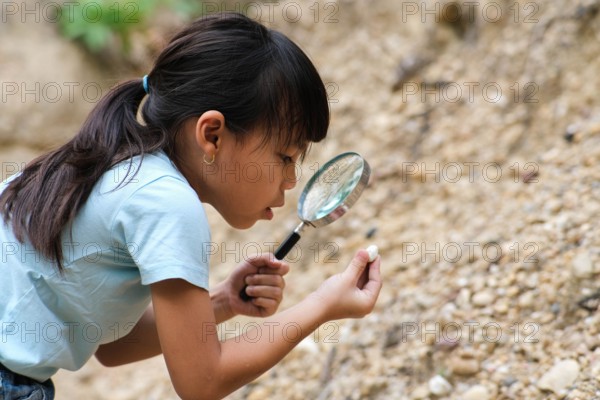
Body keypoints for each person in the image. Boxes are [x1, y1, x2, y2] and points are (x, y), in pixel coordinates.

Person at [0, 12, 382, 400]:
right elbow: (203, 381)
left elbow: (112, 346)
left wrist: (222, 302)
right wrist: (323, 305)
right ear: (212, 134)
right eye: (285, 156)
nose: (291, 180)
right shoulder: (168, 201)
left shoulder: (114, 162)